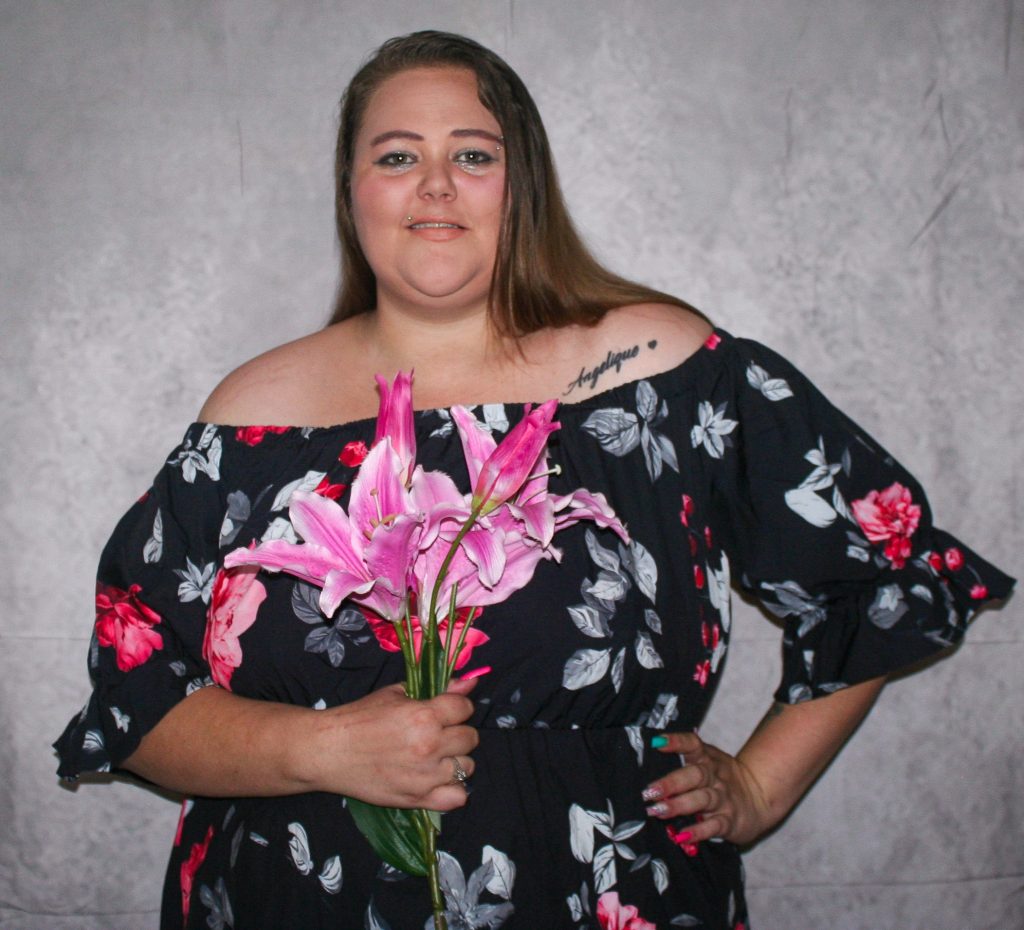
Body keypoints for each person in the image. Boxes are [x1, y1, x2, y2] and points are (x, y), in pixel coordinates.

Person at [55, 30, 1014, 930]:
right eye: (398, 155)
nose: (436, 184)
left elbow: (881, 573)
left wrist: (761, 786)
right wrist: (318, 747)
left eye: (473, 154)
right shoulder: (251, 417)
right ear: (351, 190)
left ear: (525, 186)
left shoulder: (661, 374)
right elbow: (138, 702)